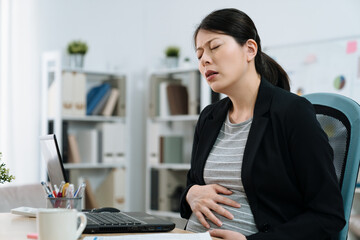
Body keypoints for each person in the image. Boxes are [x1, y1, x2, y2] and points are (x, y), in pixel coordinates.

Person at [179, 8, 345, 240]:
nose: (205, 59)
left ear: (249, 49)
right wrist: (191, 194)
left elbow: (329, 215)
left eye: (214, 47)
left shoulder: (291, 112)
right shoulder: (210, 117)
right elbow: (192, 186)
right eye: (199, 55)